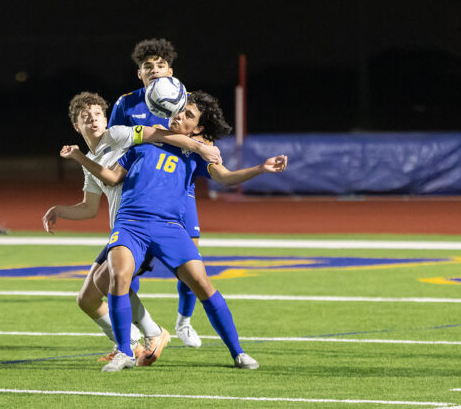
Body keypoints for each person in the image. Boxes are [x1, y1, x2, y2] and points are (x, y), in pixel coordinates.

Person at [61, 91, 287, 372]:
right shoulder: (146, 140)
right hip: (130, 223)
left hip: (169, 227)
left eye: (188, 115)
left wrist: (260, 168)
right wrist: (81, 158)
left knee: (203, 285)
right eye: (178, 111)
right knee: (117, 278)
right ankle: (124, 352)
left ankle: (238, 352)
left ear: (199, 128)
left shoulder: (196, 150)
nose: (179, 116)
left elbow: (226, 178)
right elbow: (111, 176)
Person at [42, 91, 221, 365]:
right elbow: (89, 208)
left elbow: (158, 134)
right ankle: (144, 337)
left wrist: (200, 147)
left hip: (142, 226)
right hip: (123, 229)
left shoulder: (117, 134)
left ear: (106, 118)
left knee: (108, 285)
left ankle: (135, 342)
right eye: (85, 117)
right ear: (76, 126)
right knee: (87, 298)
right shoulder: (90, 159)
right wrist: (59, 211)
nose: (94, 120)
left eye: (98, 114)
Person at [108, 38, 204, 347]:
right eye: (147, 66)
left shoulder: (185, 100)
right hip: (139, 190)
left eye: (160, 65)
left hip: (179, 190)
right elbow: (112, 145)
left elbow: (203, 135)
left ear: (170, 70)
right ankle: (134, 333)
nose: (154, 70)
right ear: (140, 74)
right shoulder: (127, 104)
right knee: (127, 262)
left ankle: (184, 321)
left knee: (192, 256)